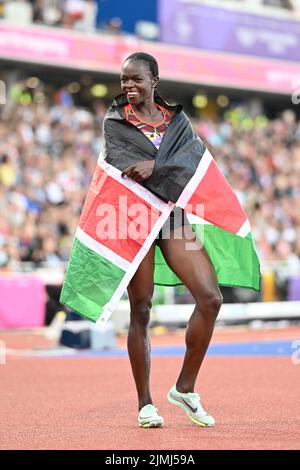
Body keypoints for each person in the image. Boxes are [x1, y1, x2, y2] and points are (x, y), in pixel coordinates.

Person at [105, 52, 223, 428]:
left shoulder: (178, 119)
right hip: (134, 217)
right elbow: (128, 169)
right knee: (141, 309)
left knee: (210, 297)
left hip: (172, 217)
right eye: (124, 79)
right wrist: (166, 167)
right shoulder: (115, 120)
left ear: (154, 81)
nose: (129, 85)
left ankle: (185, 388)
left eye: (136, 79)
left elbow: (195, 161)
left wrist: (157, 165)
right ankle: (145, 404)